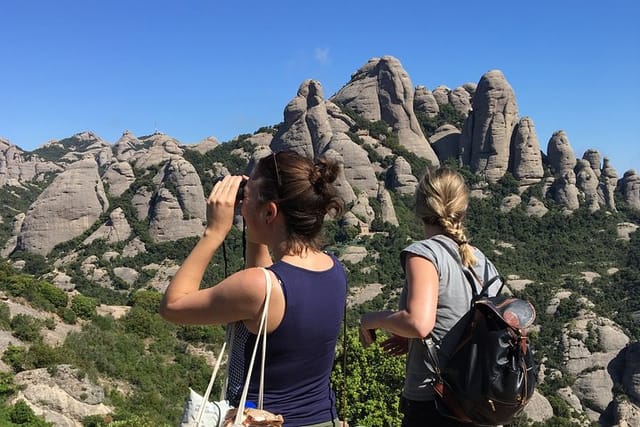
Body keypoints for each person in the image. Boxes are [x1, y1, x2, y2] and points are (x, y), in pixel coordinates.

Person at [160, 151, 348, 427]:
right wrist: (255, 213)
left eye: (247, 199)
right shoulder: (333, 268)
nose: (242, 205)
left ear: (270, 212)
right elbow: (267, 278)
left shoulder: (258, 287)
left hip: (267, 421)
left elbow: (172, 305)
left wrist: (214, 232)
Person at [359, 167, 502, 427]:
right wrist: (417, 342)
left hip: (436, 402)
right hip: (481, 404)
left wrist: (371, 320)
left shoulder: (425, 254)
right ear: (463, 208)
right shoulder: (484, 262)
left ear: (419, 207)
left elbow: (419, 323)